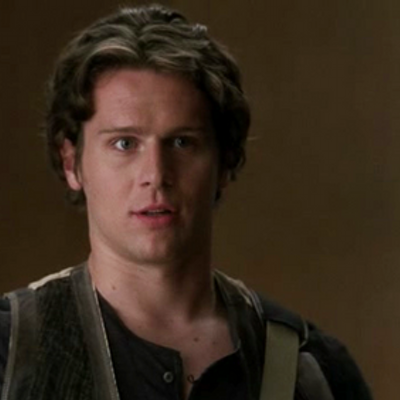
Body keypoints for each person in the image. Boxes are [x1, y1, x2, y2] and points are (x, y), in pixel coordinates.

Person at [0, 4, 372, 400]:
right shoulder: (10, 352)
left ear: (224, 161)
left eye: (182, 142)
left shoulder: (311, 368)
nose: (155, 174)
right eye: (124, 143)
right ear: (71, 162)